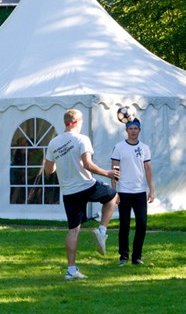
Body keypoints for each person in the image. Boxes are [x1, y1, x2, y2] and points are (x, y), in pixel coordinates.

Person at [45, 109, 118, 281]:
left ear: (66, 122)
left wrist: (58, 161)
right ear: (77, 121)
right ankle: (102, 230)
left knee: (73, 230)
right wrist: (107, 173)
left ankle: (71, 270)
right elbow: (88, 164)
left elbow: (49, 170)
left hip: (69, 192)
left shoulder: (53, 142)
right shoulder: (82, 139)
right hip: (86, 186)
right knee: (112, 195)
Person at [111, 118, 155, 266]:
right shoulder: (119, 147)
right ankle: (123, 257)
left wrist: (151, 190)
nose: (133, 131)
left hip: (139, 192)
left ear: (140, 130)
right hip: (123, 191)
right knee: (124, 226)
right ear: (126, 130)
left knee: (142, 225)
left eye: (136, 128)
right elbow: (114, 170)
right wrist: (114, 192)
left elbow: (148, 170)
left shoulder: (144, 148)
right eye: (131, 128)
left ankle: (137, 257)